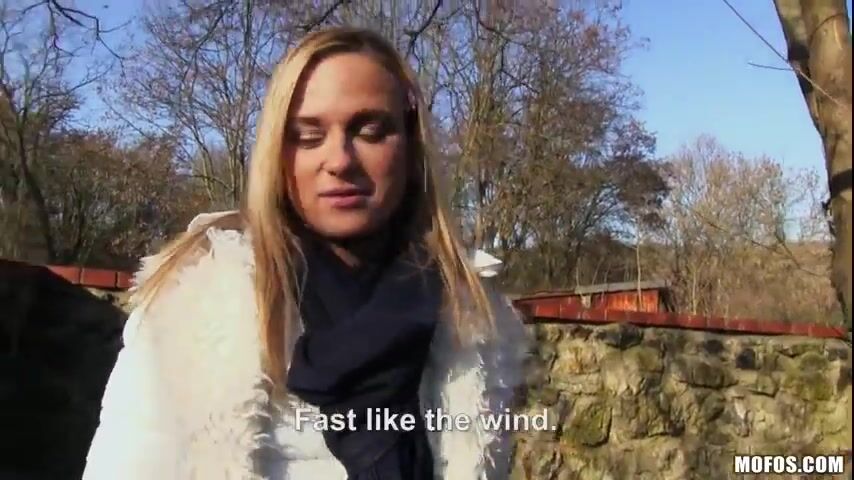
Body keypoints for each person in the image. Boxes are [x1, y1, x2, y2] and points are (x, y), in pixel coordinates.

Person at [82, 26, 529, 480]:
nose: (340, 161)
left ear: (411, 147)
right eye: (308, 136)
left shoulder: (473, 315)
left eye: (370, 131)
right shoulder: (197, 305)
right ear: (277, 153)